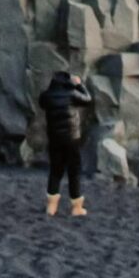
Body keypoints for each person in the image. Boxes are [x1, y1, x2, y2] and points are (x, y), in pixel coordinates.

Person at [39, 68, 94, 216]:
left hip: (54, 138)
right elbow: (88, 99)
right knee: (73, 171)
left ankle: (51, 207)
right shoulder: (72, 94)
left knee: (55, 170)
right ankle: (76, 207)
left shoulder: (47, 96)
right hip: (72, 138)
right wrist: (79, 84)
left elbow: (41, 103)